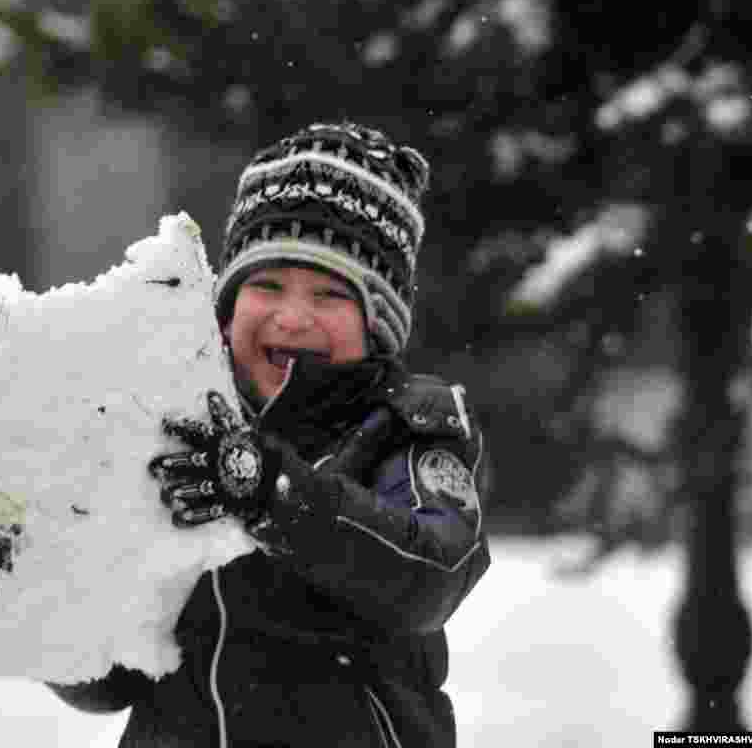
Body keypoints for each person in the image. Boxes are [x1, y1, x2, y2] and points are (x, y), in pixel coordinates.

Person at [48, 121, 491, 748]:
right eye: (266, 285)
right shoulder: (169, 431)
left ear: (380, 322)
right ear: (229, 306)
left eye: (331, 295)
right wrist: (38, 573)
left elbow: (427, 574)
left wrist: (272, 493)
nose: (292, 316)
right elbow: (108, 683)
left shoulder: (412, 428)